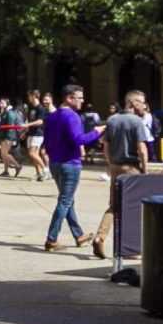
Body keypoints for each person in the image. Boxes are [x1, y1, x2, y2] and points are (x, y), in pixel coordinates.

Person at [40, 84, 106, 254]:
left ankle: (79, 235)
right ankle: (51, 239)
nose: (83, 101)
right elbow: (79, 140)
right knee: (65, 201)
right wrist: (97, 132)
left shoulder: (52, 116)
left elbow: (46, 142)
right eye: (80, 97)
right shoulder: (72, 116)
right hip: (70, 163)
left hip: (55, 163)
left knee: (68, 200)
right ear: (69, 98)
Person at [95, 91, 152, 259]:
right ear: (133, 103)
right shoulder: (137, 122)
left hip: (115, 167)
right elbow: (142, 149)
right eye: (141, 102)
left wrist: (110, 162)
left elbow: (105, 145)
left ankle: (100, 236)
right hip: (132, 168)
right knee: (134, 207)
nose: (144, 105)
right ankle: (132, 249)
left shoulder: (112, 120)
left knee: (114, 205)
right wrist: (145, 169)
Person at [23, 90, 50, 181]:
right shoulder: (31, 108)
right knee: (34, 155)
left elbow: (40, 121)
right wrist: (24, 132)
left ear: (34, 96)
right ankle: (39, 174)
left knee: (32, 153)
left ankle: (46, 170)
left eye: (29, 96)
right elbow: (29, 120)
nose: (28, 98)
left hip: (38, 134)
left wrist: (28, 125)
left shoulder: (41, 108)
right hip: (30, 133)